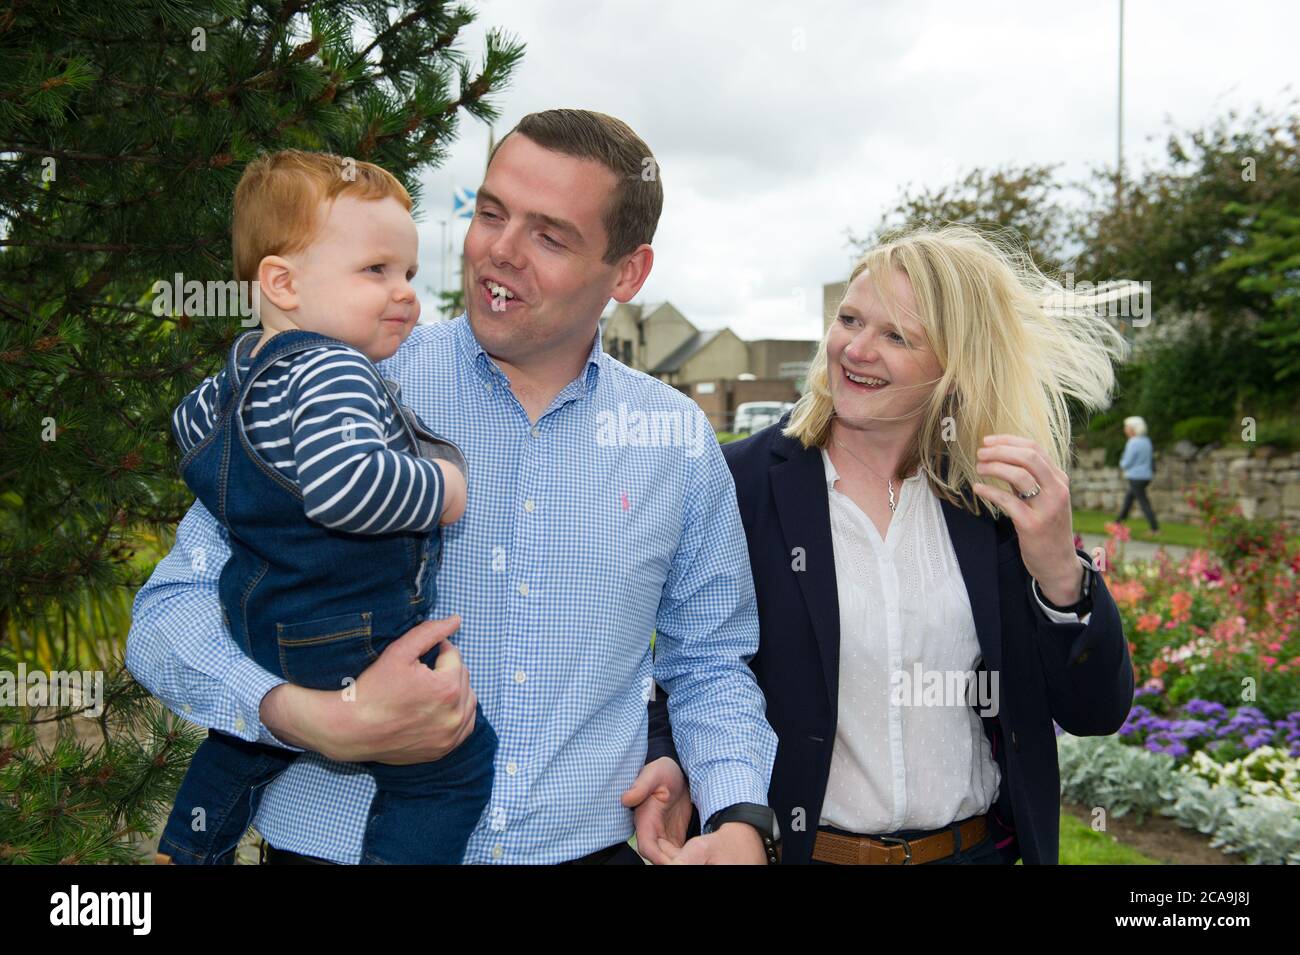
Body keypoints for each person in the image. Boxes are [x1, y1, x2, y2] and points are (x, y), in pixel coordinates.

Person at [128, 109, 778, 865]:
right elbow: (166, 616)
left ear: (628, 272)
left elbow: (708, 661)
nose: (499, 252)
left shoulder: (676, 439)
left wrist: (737, 816)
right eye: (491, 213)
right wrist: (310, 716)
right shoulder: (342, 383)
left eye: (549, 234)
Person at [652, 225, 1135, 863]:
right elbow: (689, 663)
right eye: (850, 319)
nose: (856, 348)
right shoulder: (740, 482)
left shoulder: (992, 504)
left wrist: (1058, 574)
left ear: (955, 365)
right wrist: (669, 760)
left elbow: (1094, 709)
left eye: (896, 336)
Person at [150, 150, 495, 864]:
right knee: (454, 769)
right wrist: (445, 489)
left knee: (245, 740)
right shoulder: (337, 365)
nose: (406, 293)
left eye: (407, 272)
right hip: (351, 630)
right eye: (376, 271)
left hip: (259, 622)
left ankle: (190, 842)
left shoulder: (234, 379)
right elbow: (346, 488)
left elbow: (191, 436)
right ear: (281, 281)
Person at [1116, 416, 1159, 533]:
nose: (1125, 429)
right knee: (1128, 499)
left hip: (1136, 476)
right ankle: (1118, 523)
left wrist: (1121, 462)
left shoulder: (1133, 442)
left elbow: (1127, 462)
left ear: (1133, 429)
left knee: (1143, 502)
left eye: (1127, 427)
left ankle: (1154, 528)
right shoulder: (1147, 441)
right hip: (1146, 476)